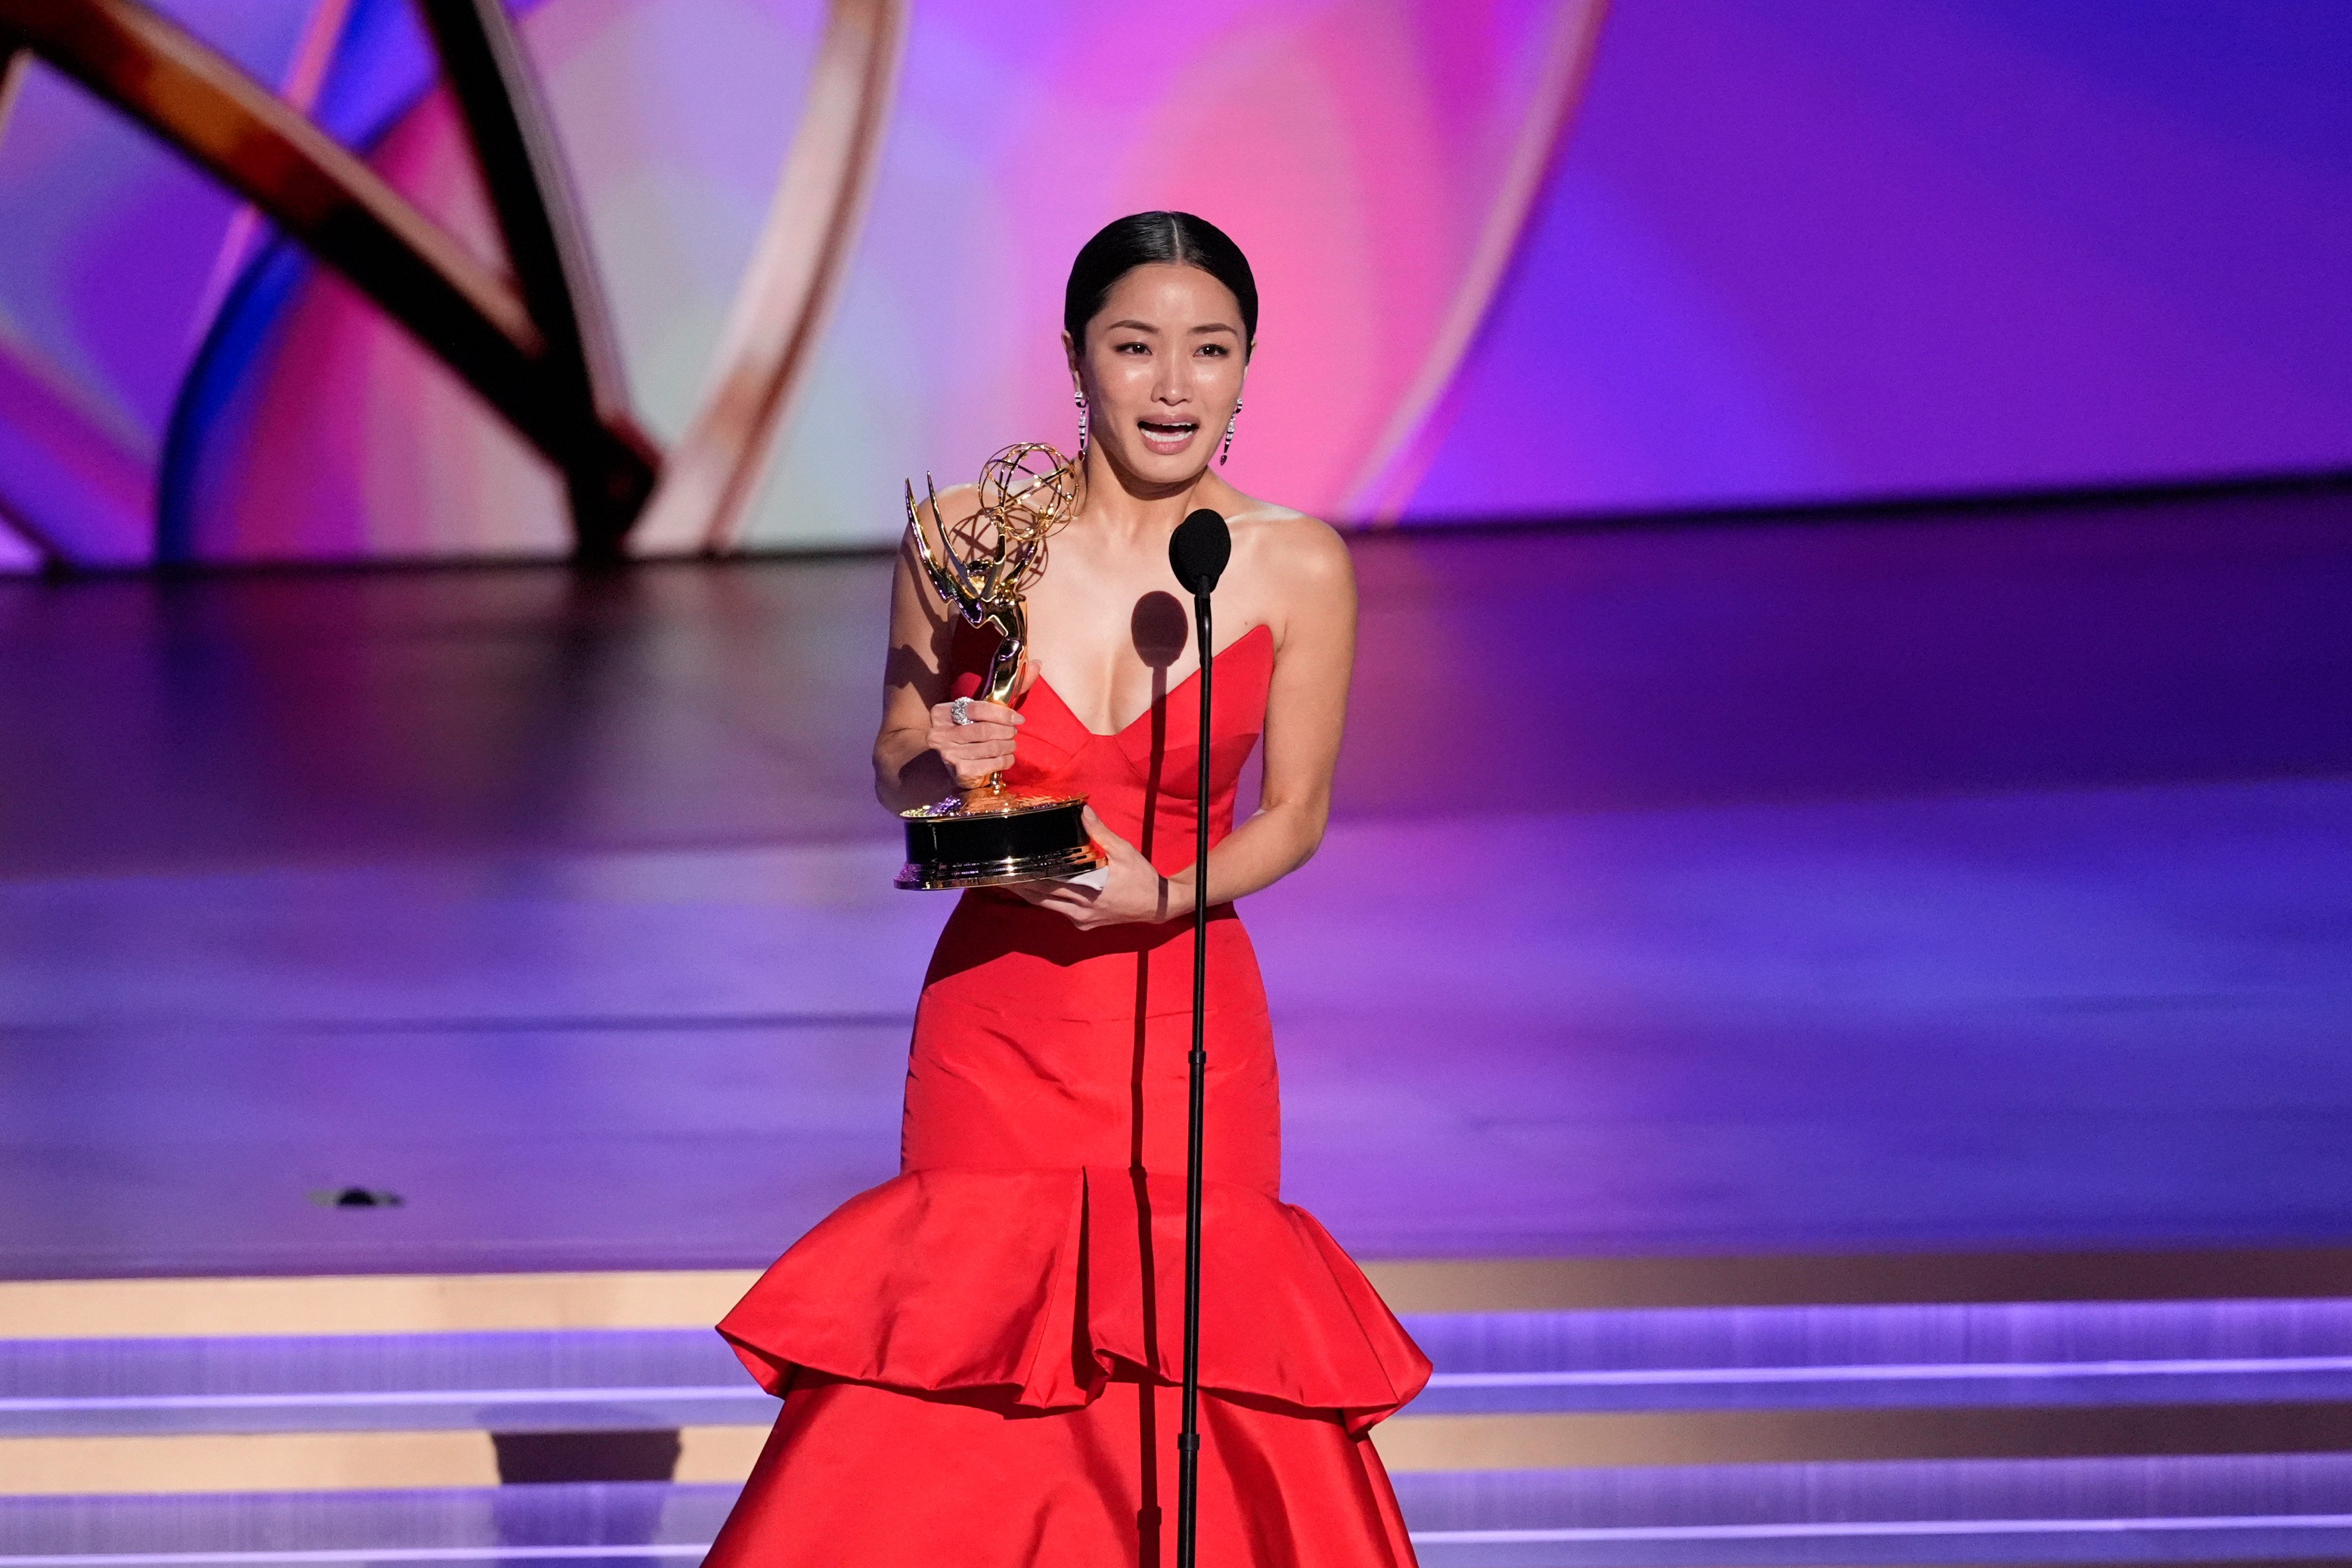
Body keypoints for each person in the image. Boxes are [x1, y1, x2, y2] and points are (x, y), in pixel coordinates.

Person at [704, 212, 1428, 1567]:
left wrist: (1165, 898)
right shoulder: (969, 538)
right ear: (1075, 360)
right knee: (966, 1350)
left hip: (1183, 1014)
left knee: (1189, 1356)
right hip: (1001, 1013)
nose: (1171, 386)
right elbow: (894, 771)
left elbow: (1297, 817)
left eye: (1207, 352)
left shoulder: (1288, 562)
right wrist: (943, 756)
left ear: (1245, 369)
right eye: (1135, 348)